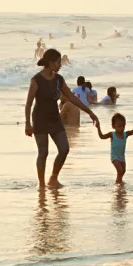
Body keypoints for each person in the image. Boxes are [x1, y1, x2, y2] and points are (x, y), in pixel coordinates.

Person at [24, 49, 97, 189]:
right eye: (58, 62)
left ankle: (53, 178)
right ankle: (41, 185)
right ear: (50, 63)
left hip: (54, 119)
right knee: (43, 152)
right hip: (39, 119)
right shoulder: (36, 80)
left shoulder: (59, 79)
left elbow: (71, 97)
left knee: (64, 148)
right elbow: (28, 104)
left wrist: (89, 112)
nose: (60, 65)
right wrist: (28, 124)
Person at [95, 112, 133, 184]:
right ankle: (119, 183)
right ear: (114, 126)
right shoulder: (112, 134)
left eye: (123, 126)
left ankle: (118, 181)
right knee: (120, 170)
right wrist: (98, 127)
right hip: (114, 156)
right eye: (119, 126)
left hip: (122, 156)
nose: (122, 128)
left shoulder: (125, 134)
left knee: (123, 170)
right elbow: (102, 136)